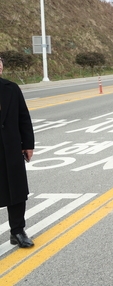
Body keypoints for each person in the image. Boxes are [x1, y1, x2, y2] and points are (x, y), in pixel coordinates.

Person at [0, 56, 35, 248]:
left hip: (10, 148)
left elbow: (23, 116)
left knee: (16, 191)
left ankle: (17, 231)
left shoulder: (11, 88)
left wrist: (28, 144)